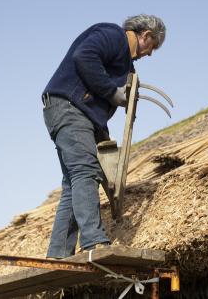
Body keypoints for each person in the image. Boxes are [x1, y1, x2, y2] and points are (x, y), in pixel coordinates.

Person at [41, 14, 166, 258]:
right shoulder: (113, 35)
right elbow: (84, 56)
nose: (149, 54)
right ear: (146, 35)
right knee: (85, 171)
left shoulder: (126, 66)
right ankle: (94, 241)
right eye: (152, 47)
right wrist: (111, 92)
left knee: (73, 183)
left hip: (78, 114)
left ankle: (58, 255)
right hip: (68, 107)